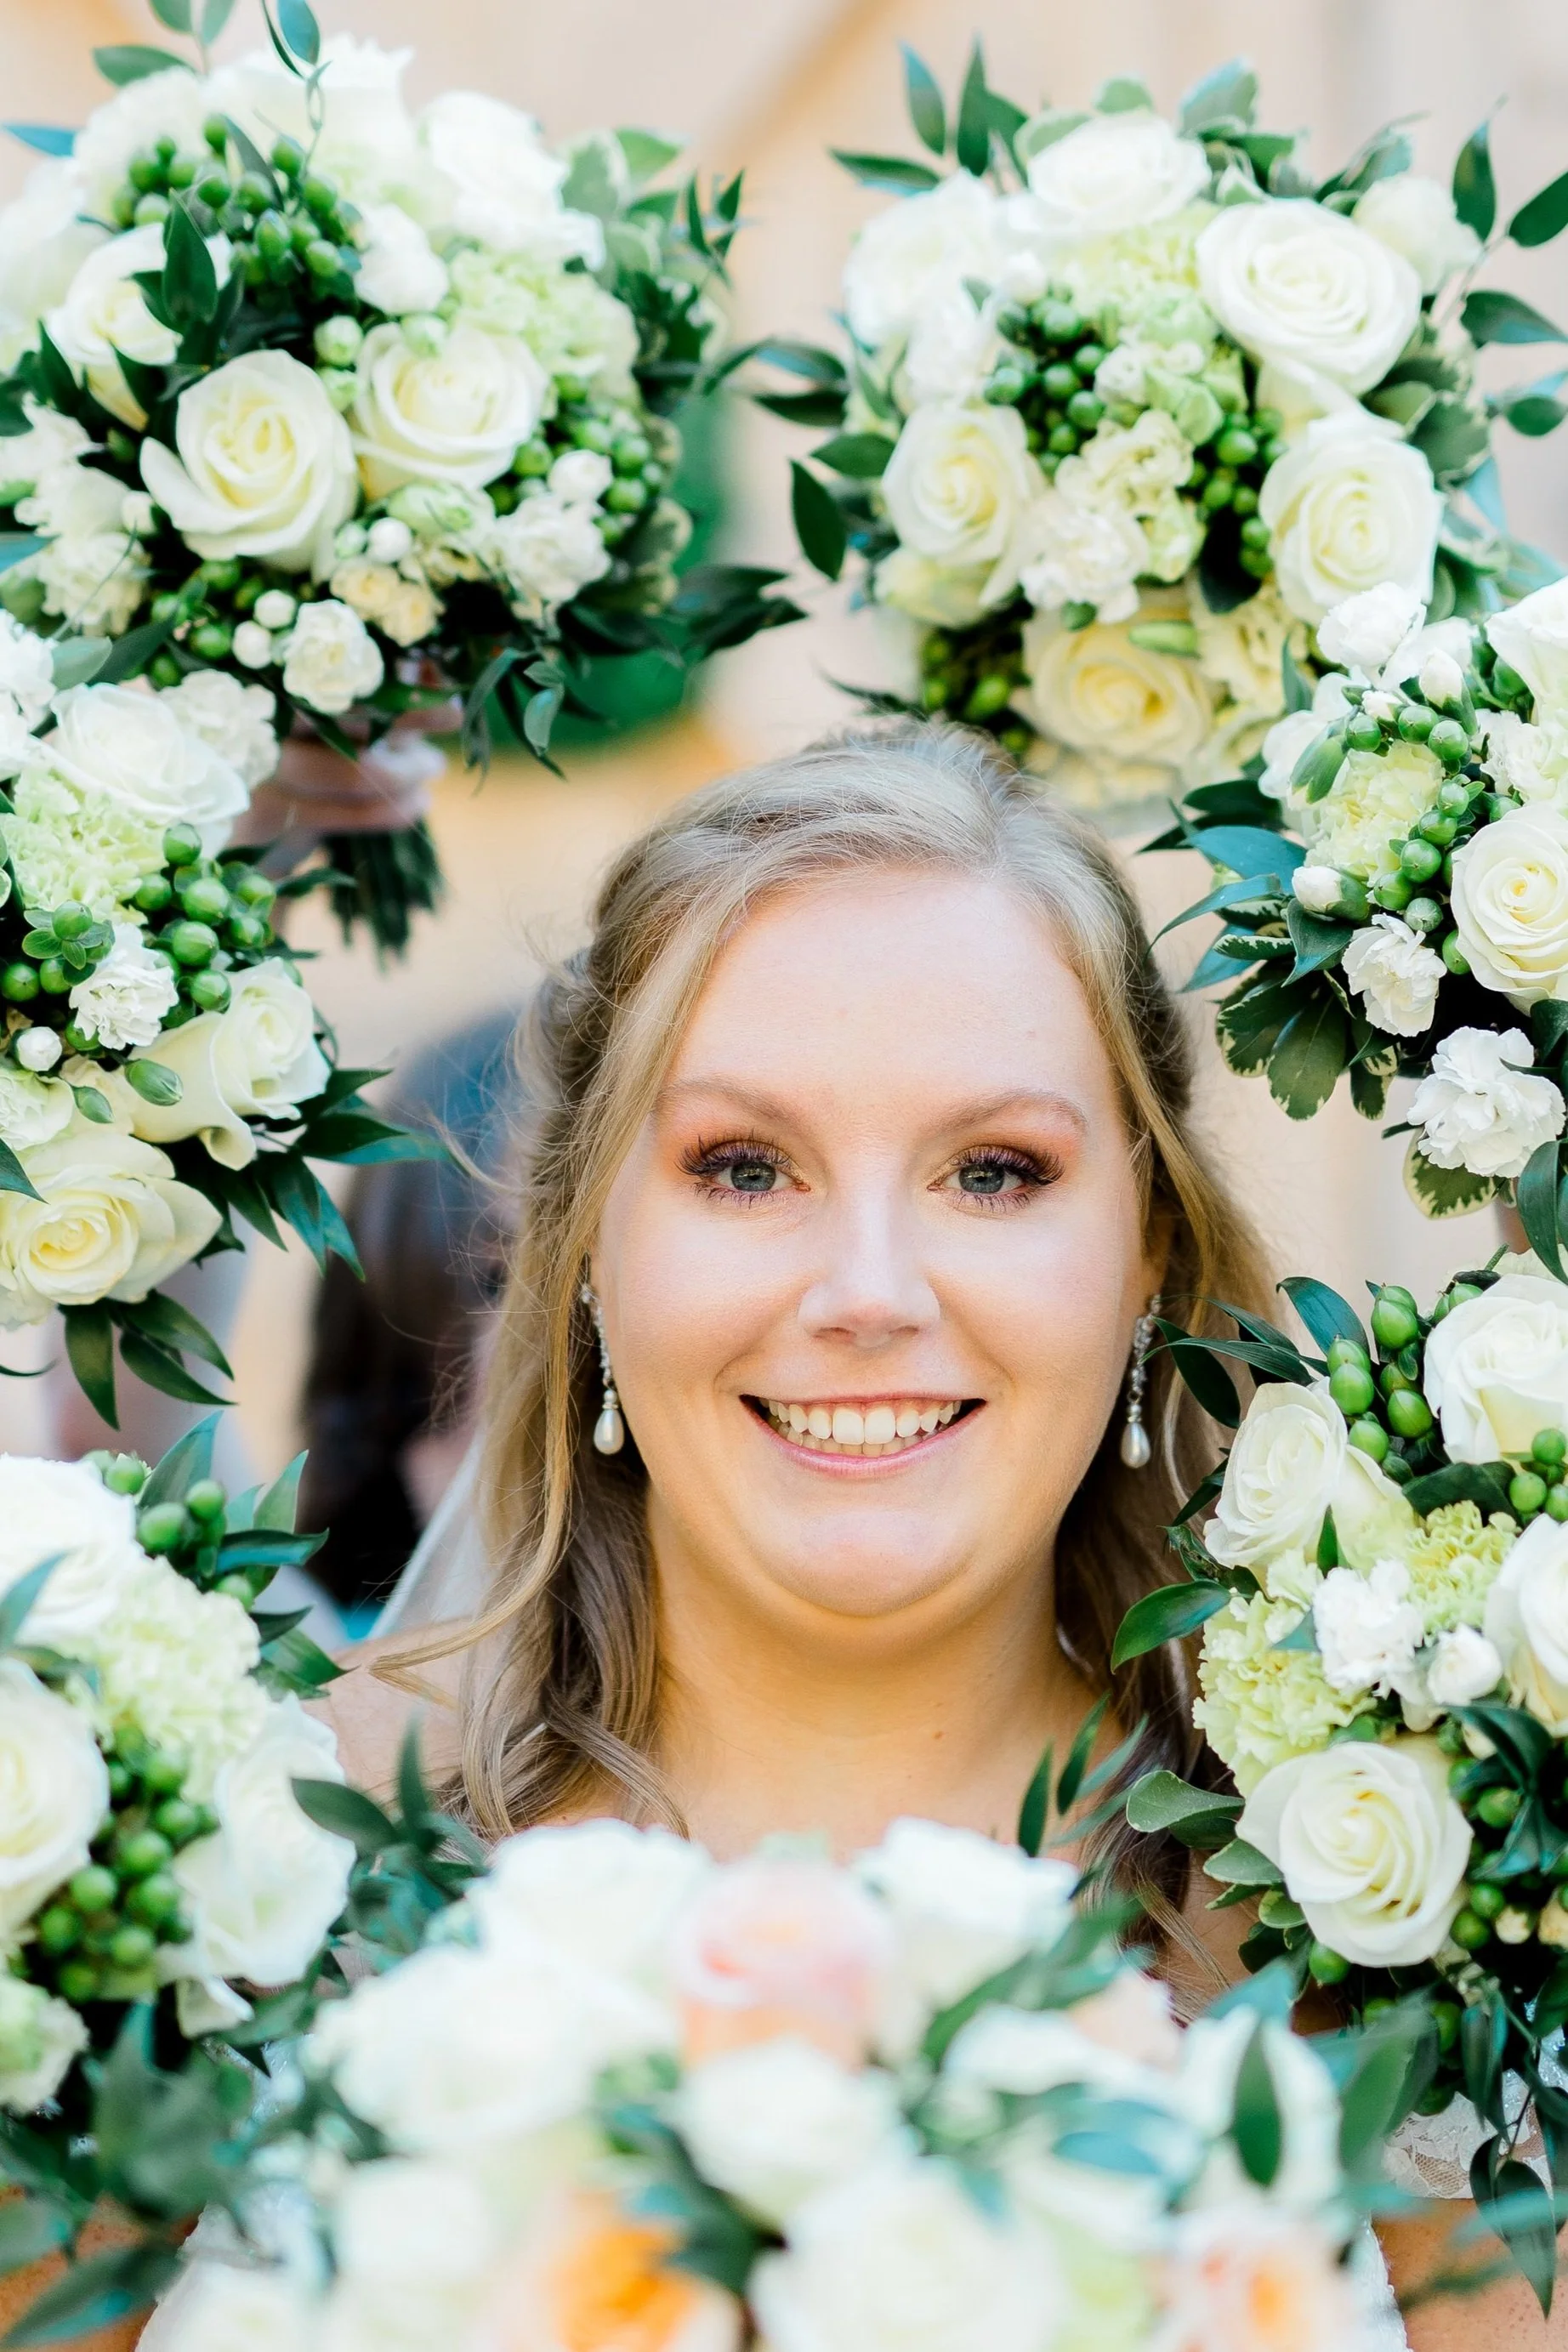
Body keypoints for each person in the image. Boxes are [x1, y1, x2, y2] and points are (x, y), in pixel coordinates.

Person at [319, 722, 1531, 2349]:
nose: (870, 1294)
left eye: (994, 1171)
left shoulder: (1379, 1925)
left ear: (1147, 1255)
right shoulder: (281, 1867)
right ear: (589, 1240)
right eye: (745, 1168)